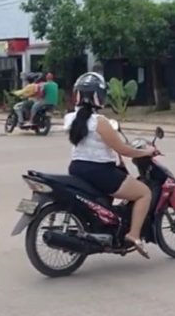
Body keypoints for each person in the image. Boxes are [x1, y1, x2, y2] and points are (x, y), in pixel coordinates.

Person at [64, 72, 157, 259]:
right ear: (98, 96)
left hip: (76, 168)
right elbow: (124, 149)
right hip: (100, 172)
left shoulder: (70, 119)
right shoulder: (100, 122)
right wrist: (146, 152)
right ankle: (134, 234)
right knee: (144, 192)